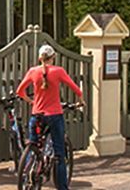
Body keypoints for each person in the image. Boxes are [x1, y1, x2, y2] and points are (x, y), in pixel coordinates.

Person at [16, 44, 83, 190]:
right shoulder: (58, 71)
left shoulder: (33, 71)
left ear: (39, 58)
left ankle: (28, 173)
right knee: (59, 153)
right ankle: (63, 187)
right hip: (54, 115)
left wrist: (30, 101)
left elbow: (20, 91)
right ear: (53, 58)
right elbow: (76, 89)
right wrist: (80, 100)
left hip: (36, 115)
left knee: (33, 146)